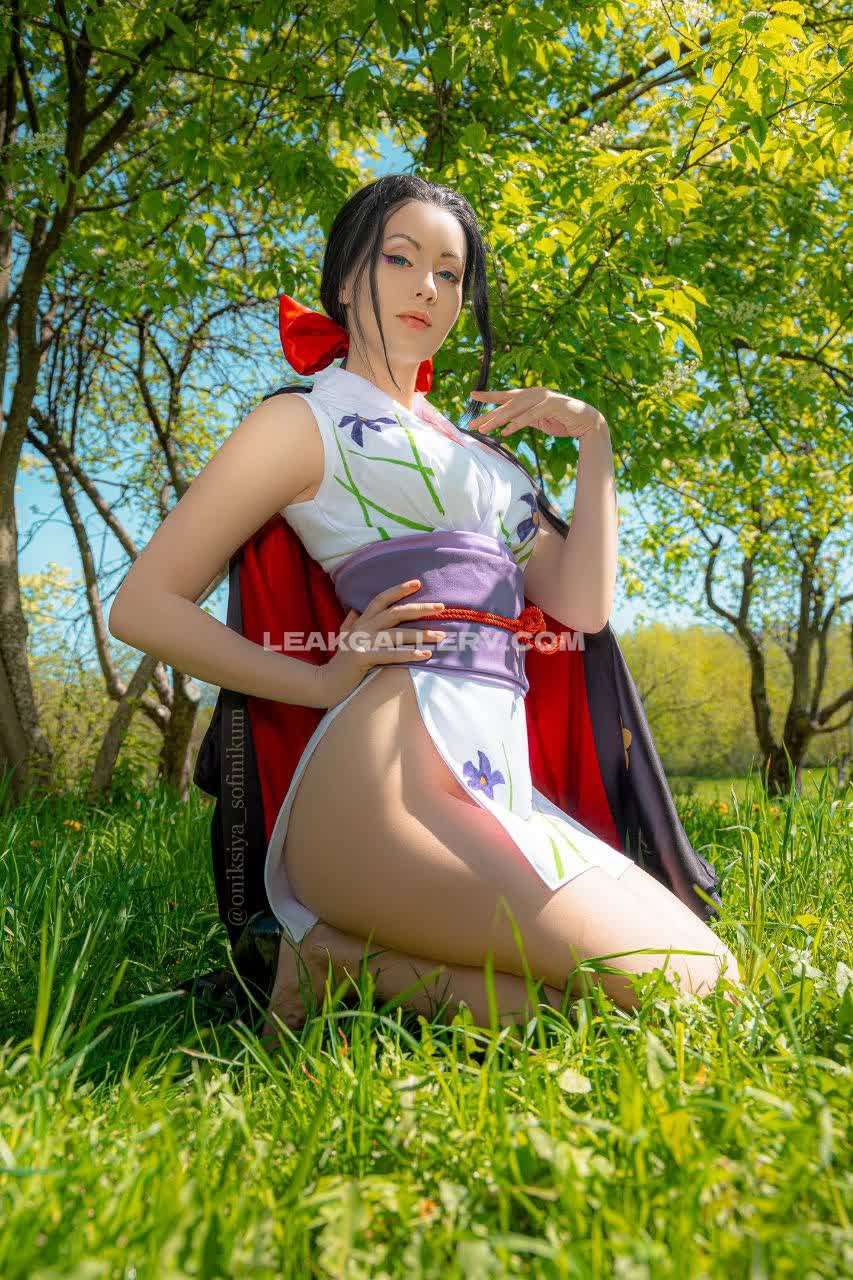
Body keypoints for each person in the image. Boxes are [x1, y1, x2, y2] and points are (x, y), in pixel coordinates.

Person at [110, 174, 743, 1039]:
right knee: (674, 996)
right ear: (344, 280)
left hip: (494, 788)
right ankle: (334, 959)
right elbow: (143, 606)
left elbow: (582, 606)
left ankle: (329, 967)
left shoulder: (482, 460)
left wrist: (593, 441)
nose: (428, 288)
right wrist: (321, 682)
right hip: (383, 793)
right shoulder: (304, 422)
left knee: (709, 982)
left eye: (450, 273)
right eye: (399, 259)